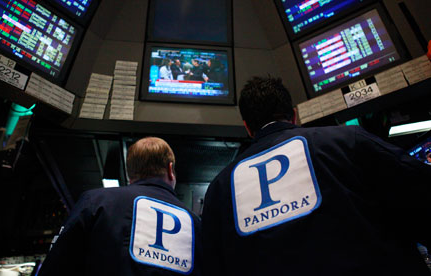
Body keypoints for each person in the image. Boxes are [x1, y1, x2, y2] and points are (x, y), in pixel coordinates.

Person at [201, 76, 431, 275]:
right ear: (294, 115)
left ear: (248, 128)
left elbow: (214, 266)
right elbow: (421, 193)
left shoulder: (219, 187)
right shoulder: (348, 140)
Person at [38, 137, 202, 276]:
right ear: (170, 169)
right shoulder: (196, 223)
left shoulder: (96, 200)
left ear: (130, 173)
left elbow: (57, 263)